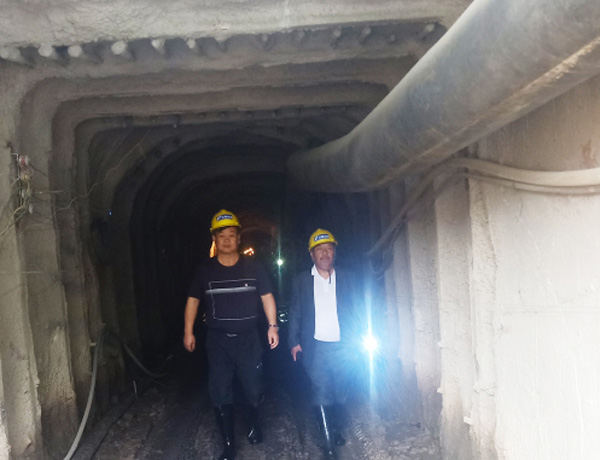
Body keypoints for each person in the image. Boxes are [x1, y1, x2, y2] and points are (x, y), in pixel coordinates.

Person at [183, 209, 279, 460]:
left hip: (249, 339)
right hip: (218, 341)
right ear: (214, 239)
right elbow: (193, 300)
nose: (226, 240)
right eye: (221, 236)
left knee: (254, 387)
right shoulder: (205, 270)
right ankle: (228, 445)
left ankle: (253, 423)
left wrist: (272, 326)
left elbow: (267, 296)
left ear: (238, 238)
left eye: (231, 235)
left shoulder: (253, 266)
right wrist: (188, 331)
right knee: (220, 391)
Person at [288, 228, 358, 459]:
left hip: (344, 346)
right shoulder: (301, 281)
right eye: (320, 250)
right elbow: (295, 312)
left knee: (341, 392)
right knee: (321, 390)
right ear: (312, 254)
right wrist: (293, 341)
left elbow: (358, 309)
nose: (325, 254)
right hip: (315, 346)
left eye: (329, 249)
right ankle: (328, 445)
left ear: (334, 252)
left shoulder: (347, 278)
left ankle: (335, 427)